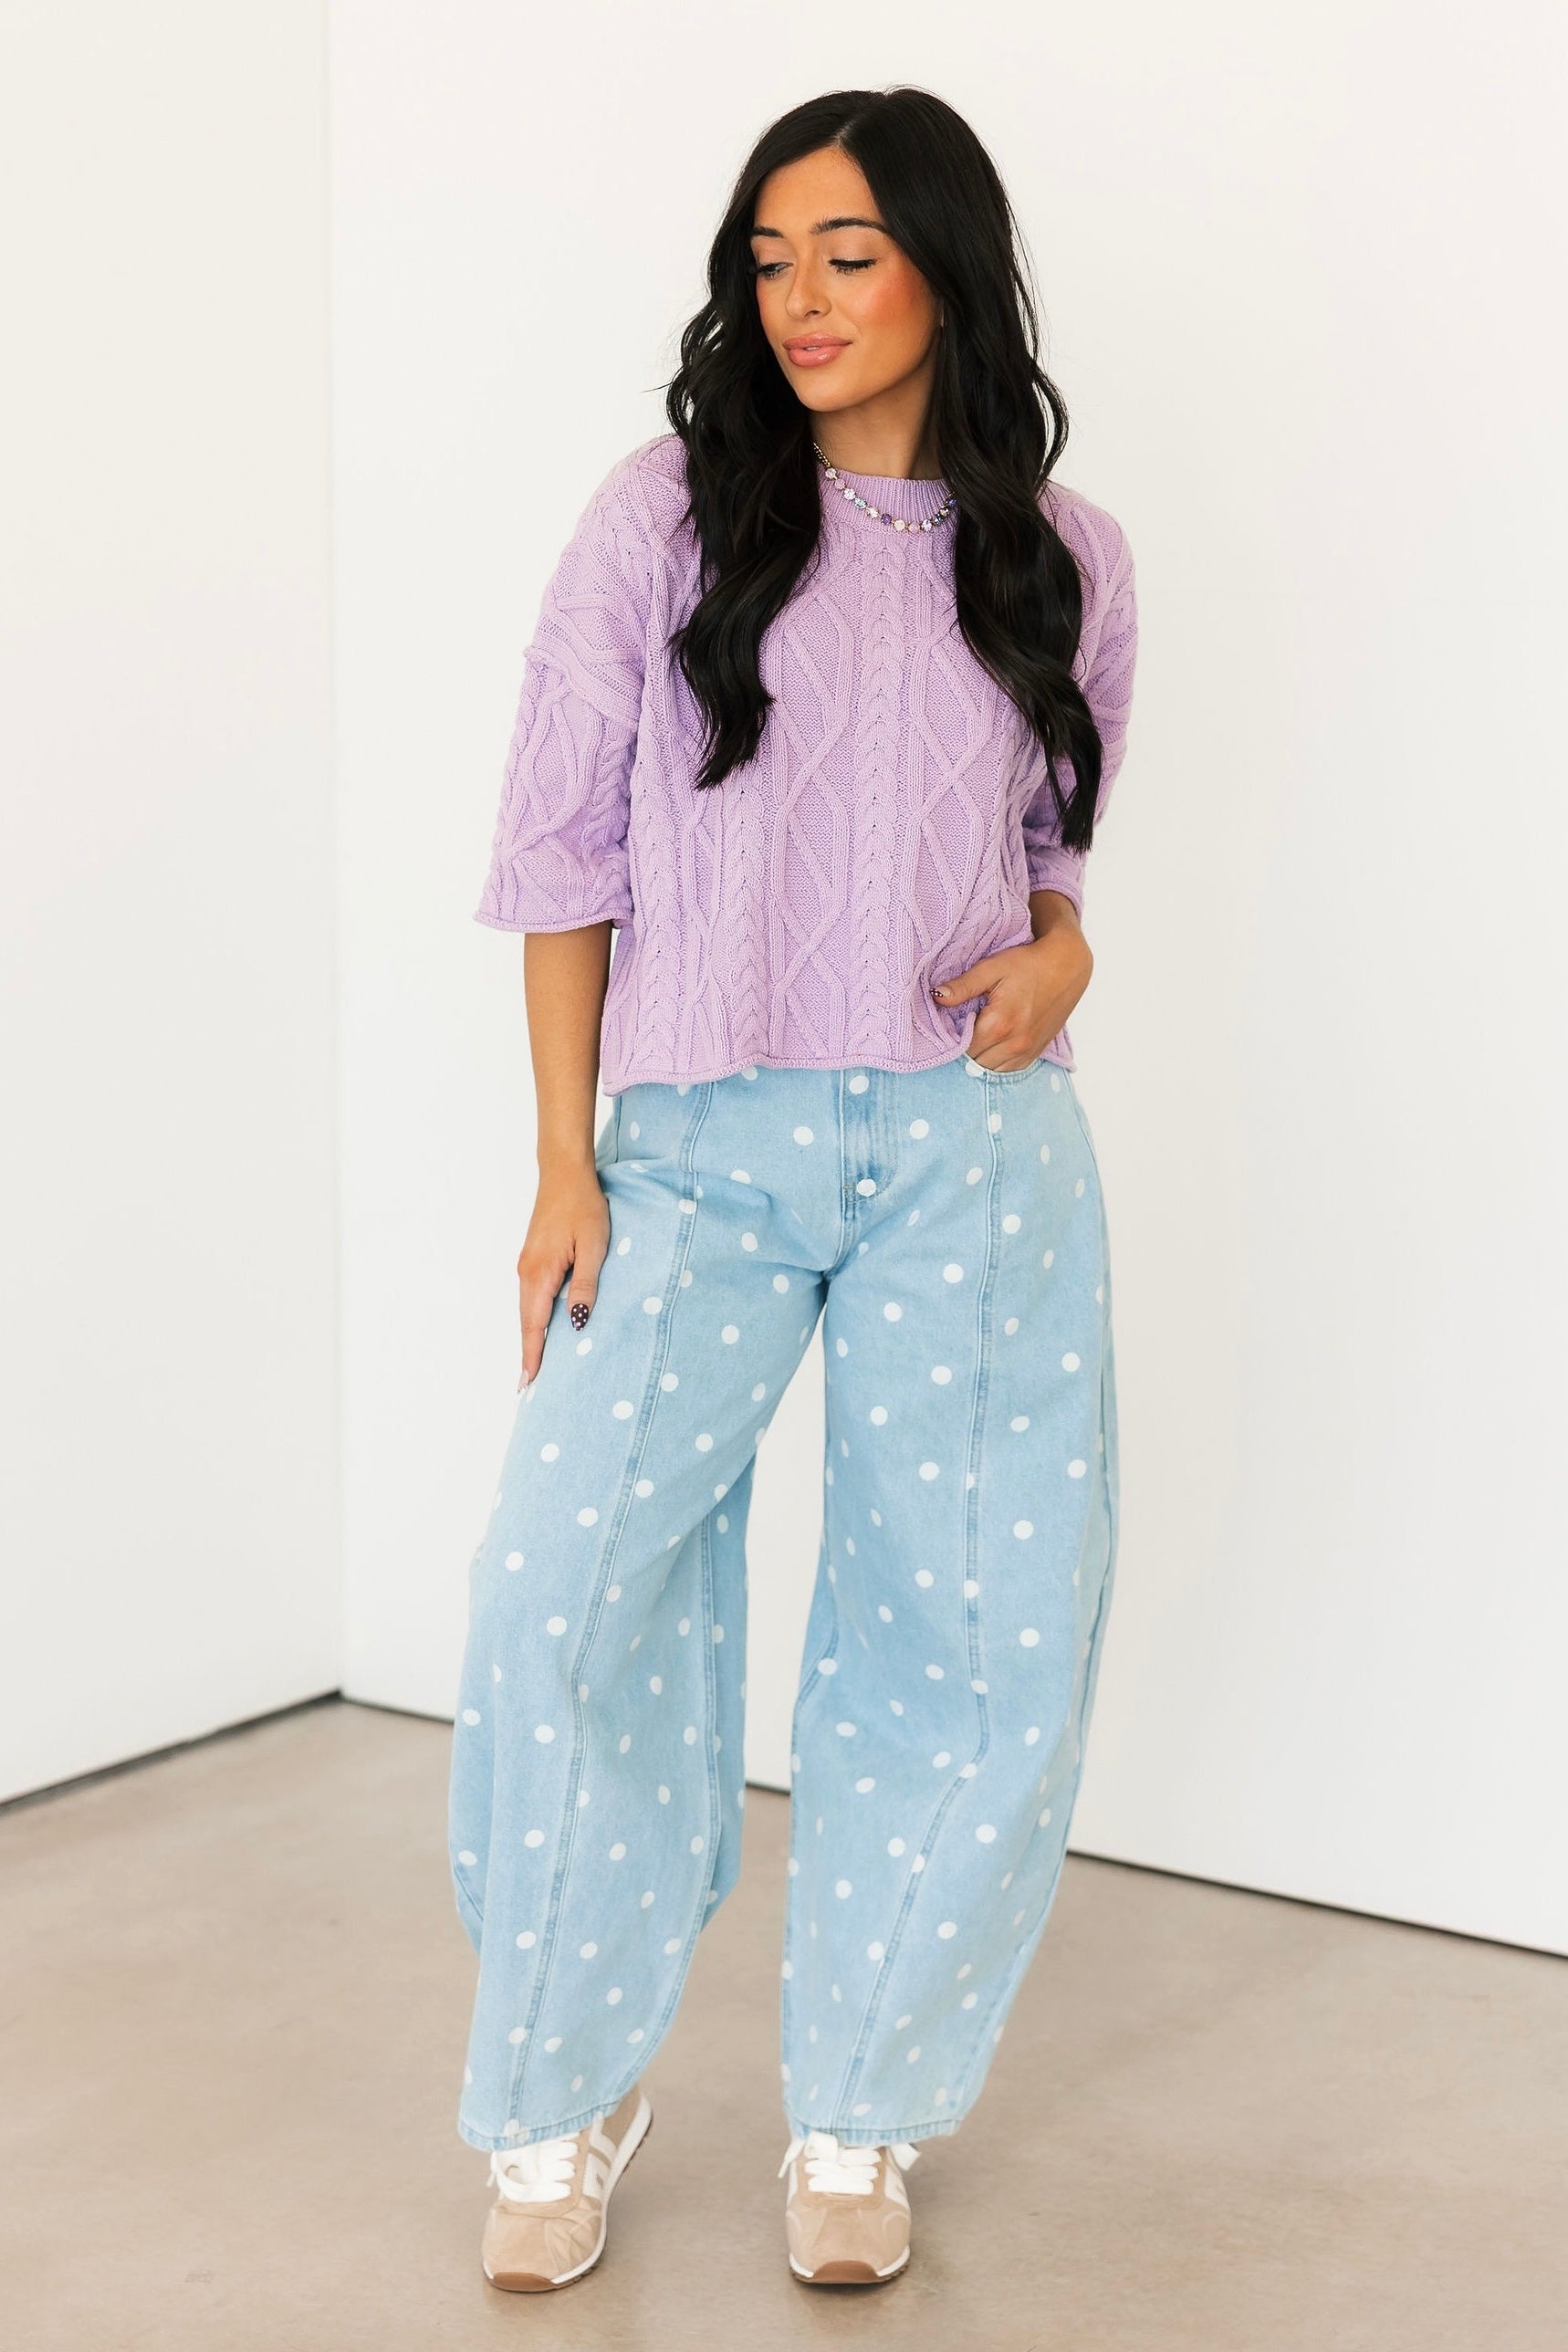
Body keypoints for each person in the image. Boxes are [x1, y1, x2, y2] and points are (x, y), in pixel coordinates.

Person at [447, 83, 1139, 2294]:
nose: (803, 299)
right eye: (769, 258)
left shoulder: (1067, 554)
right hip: (696, 1146)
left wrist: (1064, 951)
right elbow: (559, 854)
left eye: (849, 252)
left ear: (947, 265)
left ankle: (862, 2100)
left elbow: (1046, 860)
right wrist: (561, 1161)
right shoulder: (663, 517)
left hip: (972, 1145)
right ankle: (557, 2087)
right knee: (565, 1594)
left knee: (974, 1620)